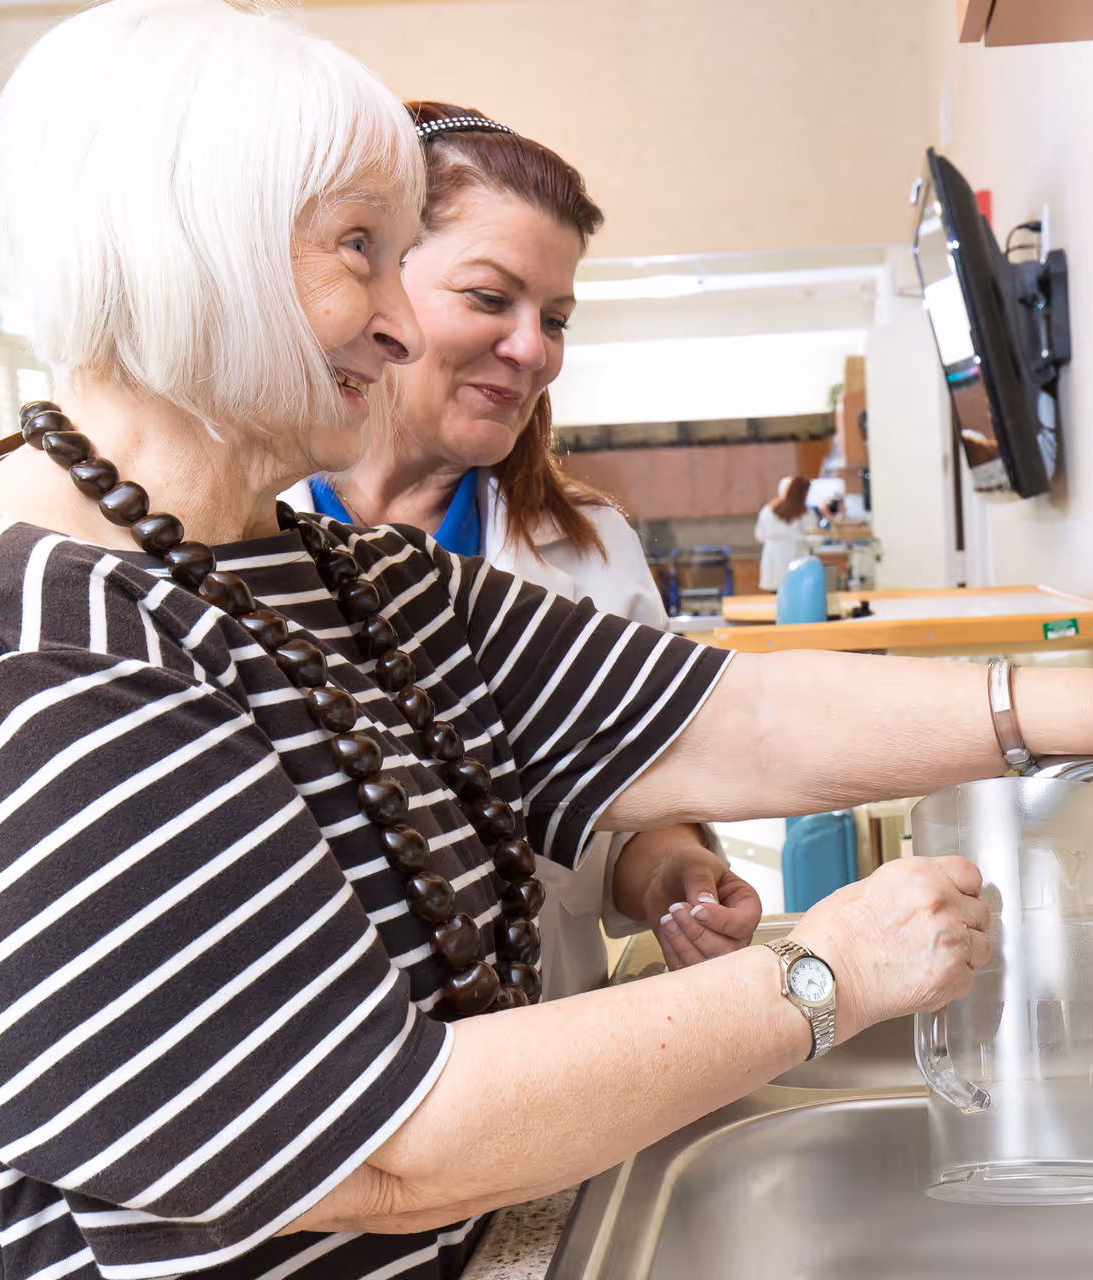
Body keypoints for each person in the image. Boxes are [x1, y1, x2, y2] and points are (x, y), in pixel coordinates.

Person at [0, 2, 1093, 1276]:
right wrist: (818, 978)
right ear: (184, 247)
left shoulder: (317, 572)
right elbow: (384, 1147)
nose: (402, 323)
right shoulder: (34, 669)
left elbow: (722, 719)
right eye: (356, 252)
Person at [283, 106, 755, 998]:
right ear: (374, 280)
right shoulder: (228, 533)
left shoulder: (587, 550)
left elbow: (629, 813)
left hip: (548, 1069)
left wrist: (673, 878)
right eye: (491, 298)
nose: (533, 349)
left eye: (557, 317)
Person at [755, 475, 815, 591]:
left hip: (772, 560)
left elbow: (760, 536)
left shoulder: (767, 511)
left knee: (778, 598)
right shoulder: (806, 513)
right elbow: (814, 540)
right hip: (797, 559)